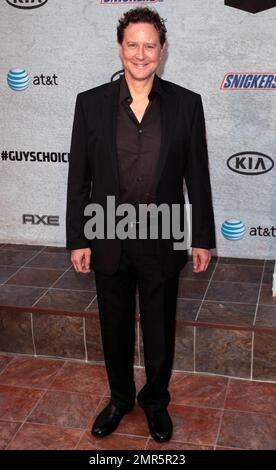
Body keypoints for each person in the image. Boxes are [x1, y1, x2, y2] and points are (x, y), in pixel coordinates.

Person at [66, 7, 215, 443]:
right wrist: (78, 237)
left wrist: (201, 237)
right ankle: (119, 400)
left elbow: (198, 177)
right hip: (107, 233)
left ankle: (155, 402)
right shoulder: (89, 104)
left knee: (158, 328)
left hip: (161, 235)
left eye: (150, 44)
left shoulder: (187, 104)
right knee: (113, 328)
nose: (141, 53)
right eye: (133, 44)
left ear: (162, 50)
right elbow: (79, 178)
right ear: (120, 47)